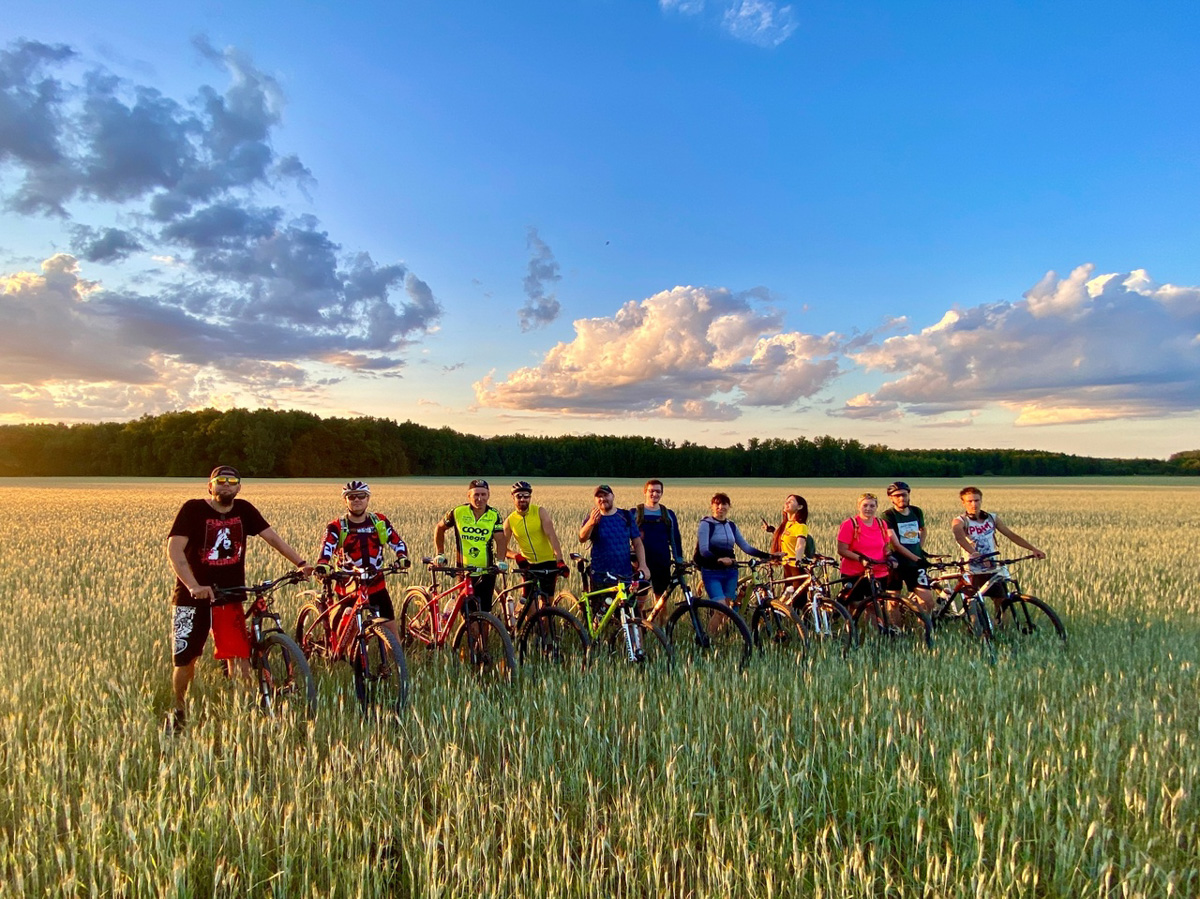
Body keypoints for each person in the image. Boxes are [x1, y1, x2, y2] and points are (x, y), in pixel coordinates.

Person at [166, 465, 311, 732]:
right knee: (187, 659)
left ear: (239, 487)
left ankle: (244, 713)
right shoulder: (193, 509)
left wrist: (301, 563)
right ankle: (178, 710)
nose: (226, 486)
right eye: (220, 481)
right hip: (191, 598)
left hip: (230, 595)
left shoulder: (244, 510)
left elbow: (273, 538)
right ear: (210, 486)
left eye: (232, 482)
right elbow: (174, 550)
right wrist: (194, 585)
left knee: (239, 657)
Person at [315, 480, 409, 642]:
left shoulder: (379, 521)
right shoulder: (337, 526)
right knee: (346, 634)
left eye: (361, 496)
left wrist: (402, 557)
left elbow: (396, 541)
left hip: (376, 584)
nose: (356, 499)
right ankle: (344, 657)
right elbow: (327, 547)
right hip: (348, 586)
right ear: (345, 501)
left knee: (392, 632)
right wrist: (323, 563)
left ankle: (397, 665)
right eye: (351, 497)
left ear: (368, 499)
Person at [952, 485, 1046, 613]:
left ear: (981, 501)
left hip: (992, 566)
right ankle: (975, 631)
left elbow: (1011, 535)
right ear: (963, 503)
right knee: (973, 605)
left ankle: (1002, 629)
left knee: (1002, 602)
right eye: (969, 501)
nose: (974, 504)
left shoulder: (991, 518)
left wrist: (1033, 549)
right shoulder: (960, 521)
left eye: (976, 500)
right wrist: (975, 554)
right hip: (972, 569)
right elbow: (960, 538)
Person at [434, 479, 508, 612]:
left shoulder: (494, 515)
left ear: (488, 495)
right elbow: (440, 528)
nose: (480, 498)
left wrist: (501, 561)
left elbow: (500, 539)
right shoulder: (458, 512)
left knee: (485, 612)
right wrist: (440, 553)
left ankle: (483, 633)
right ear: (469, 496)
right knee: (467, 614)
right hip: (464, 571)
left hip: (486, 571)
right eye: (476, 495)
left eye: (483, 495)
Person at [695, 493, 776, 605]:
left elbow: (746, 547)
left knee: (728, 610)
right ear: (711, 506)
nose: (720, 507)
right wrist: (719, 559)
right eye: (717, 504)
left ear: (729, 506)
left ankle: (727, 623)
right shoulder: (706, 524)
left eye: (724, 504)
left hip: (731, 572)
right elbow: (703, 550)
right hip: (712, 571)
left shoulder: (731, 526)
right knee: (720, 609)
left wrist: (770, 556)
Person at [835, 493, 903, 621]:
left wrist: (890, 557)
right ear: (858, 506)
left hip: (878, 572)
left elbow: (885, 546)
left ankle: (873, 635)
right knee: (855, 605)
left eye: (872, 505)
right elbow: (842, 550)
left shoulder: (881, 523)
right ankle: (851, 633)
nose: (868, 508)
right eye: (865, 505)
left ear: (876, 507)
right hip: (855, 572)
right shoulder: (850, 524)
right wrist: (861, 559)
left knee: (874, 605)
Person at [578, 485, 650, 601]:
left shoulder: (625, 516)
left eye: (606, 495)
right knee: (602, 615)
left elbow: (637, 543)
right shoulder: (592, 518)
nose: (602, 499)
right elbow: (582, 538)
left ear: (613, 496)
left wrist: (643, 565)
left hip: (624, 575)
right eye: (599, 497)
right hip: (600, 575)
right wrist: (591, 522)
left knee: (627, 613)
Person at [503, 480, 568, 606]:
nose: (523, 499)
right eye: (519, 496)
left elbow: (552, 536)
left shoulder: (539, 512)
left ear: (530, 497)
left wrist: (560, 561)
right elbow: (502, 549)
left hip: (548, 563)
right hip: (529, 565)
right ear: (513, 497)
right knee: (529, 604)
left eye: (526, 496)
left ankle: (546, 625)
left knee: (547, 606)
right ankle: (524, 623)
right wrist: (517, 556)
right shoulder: (510, 520)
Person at [632, 479, 684, 619]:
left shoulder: (668, 514)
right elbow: (626, 537)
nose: (654, 494)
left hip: (662, 562)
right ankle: (639, 628)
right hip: (640, 564)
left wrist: (679, 560)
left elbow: (675, 538)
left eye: (658, 491)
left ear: (662, 494)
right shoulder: (635, 513)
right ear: (645, 492)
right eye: (651, 491)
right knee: (639, 600)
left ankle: (661, 630)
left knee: (661, 600)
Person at [880, 481, 935, 612]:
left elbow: (923, 530)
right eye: (897, 496)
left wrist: (919, 549)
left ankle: (924, 630)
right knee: (893, 602)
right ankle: (896, 630)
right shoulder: (888, 515)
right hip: (896, 564)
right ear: (891, 498)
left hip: (915, 564)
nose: (901, 498)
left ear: (909, 495)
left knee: (927, 601)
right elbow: (896, 544)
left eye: (904, 495)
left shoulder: (916, 511)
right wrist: (917, 559)